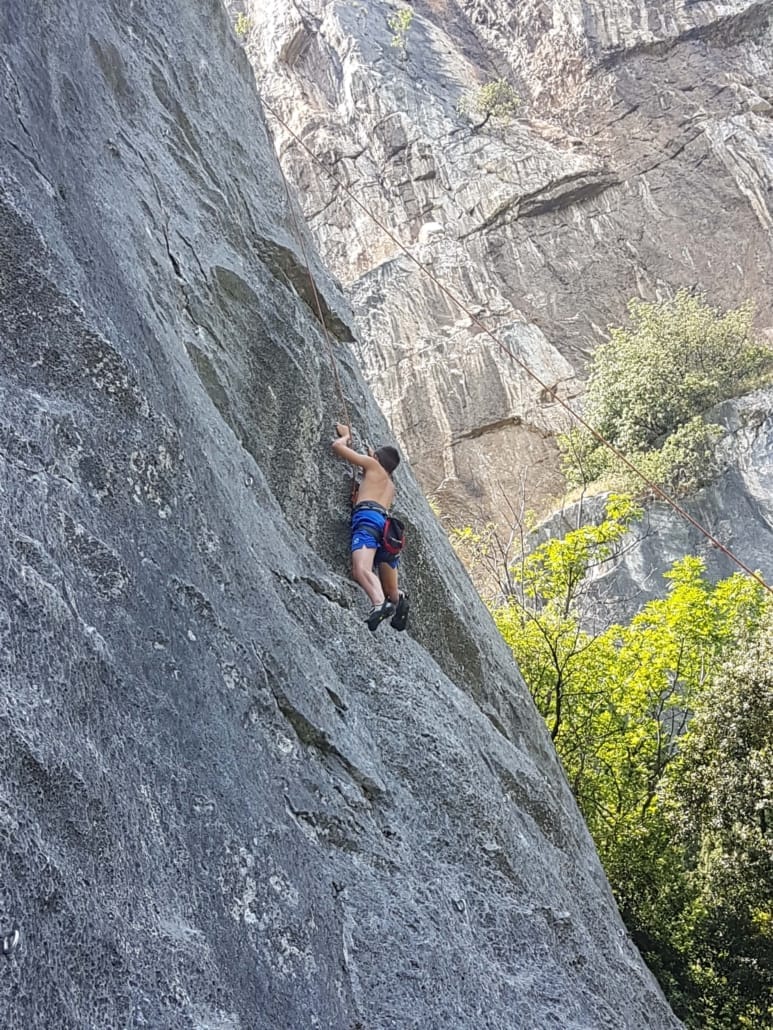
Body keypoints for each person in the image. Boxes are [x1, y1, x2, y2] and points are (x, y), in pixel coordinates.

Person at [332, 423, 409, 632]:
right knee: (390, 587)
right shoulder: (390, 485)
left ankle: (378, 603)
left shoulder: (372, 466)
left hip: (367, 519)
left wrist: (346, 436)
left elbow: (337, 447)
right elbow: (375, 473)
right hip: (386, 529)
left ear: (375, 459)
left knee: (360, 569)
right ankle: (397, 598)